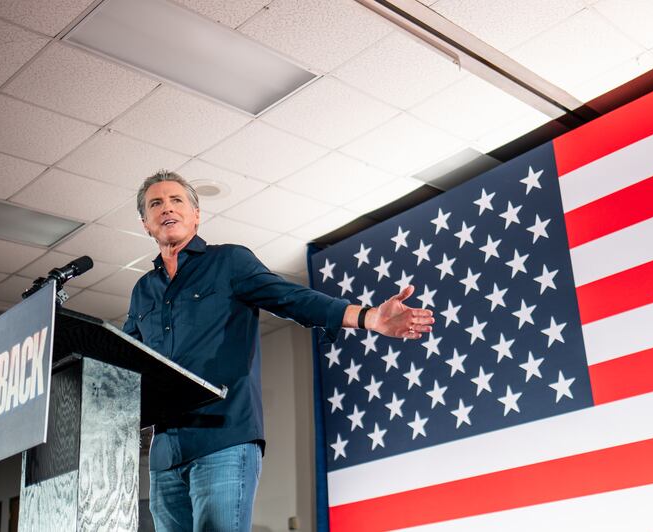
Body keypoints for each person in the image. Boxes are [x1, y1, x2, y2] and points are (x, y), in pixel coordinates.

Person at [123, 170, 434, 531]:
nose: (167, 209)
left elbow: (293, 299)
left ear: (196, 214)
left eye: (177, 200)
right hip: (165, 454)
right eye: (155, 204)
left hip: (223, 439)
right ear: (145, 223)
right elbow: (124, 363)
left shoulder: (230, 262)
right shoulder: (142, 291)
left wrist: (369, 318)